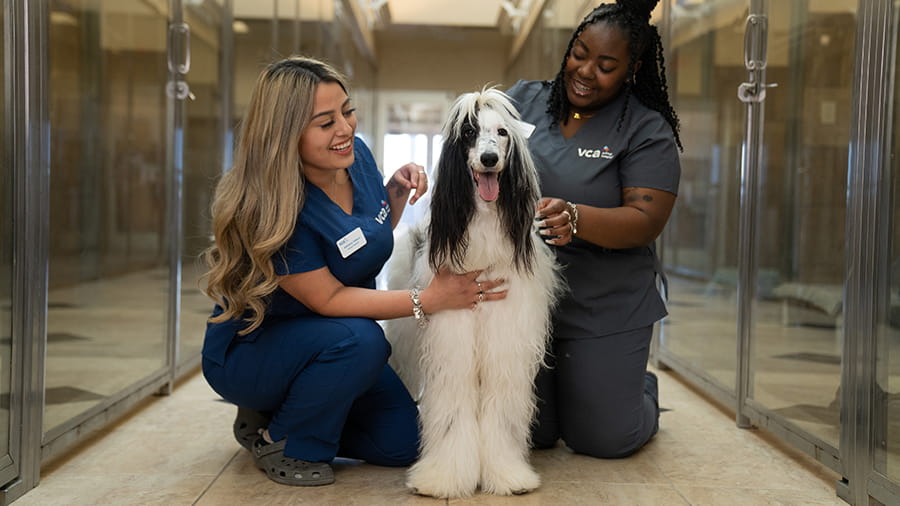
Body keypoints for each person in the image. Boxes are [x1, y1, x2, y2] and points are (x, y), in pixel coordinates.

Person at [200, 56, 507, 487]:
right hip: (257, 349)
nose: (344, 129)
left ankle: (297, 406)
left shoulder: (355, 158)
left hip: (333, 345)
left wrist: (394, 194)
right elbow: (327, 299)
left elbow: (362, 238)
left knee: (405, 444)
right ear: (286, 134)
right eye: (325, 123)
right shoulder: (273, 208)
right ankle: (284, 438)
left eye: (347, 111)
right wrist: (429, 300)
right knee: (364, 341)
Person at [506, 0, 682, 458]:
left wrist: (577, 218)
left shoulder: (644, 127)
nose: (585, 71)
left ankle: (639, 388)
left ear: (632, 69)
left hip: (603, 304)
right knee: (533, 434)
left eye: (606, 65)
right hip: (525, 300)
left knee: (602, 439)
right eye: (580, 53)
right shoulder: (523, 99)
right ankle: (581, 389)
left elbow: (646, 221)